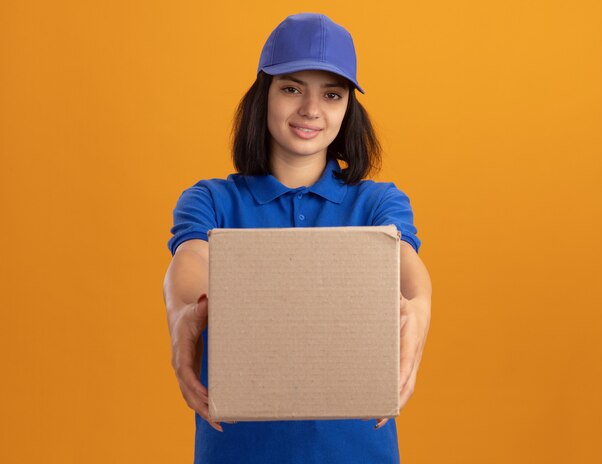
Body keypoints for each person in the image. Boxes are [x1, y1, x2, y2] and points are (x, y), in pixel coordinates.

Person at [163, 12, 432, 463]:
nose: (311, 109)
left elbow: (408, 270)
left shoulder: (376, 204)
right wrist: (184, 312)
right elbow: (190, 262)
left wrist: (420, 311)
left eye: (332, 94)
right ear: (263, 96)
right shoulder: (211, 200)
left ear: (348, 109)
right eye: (291, 88)